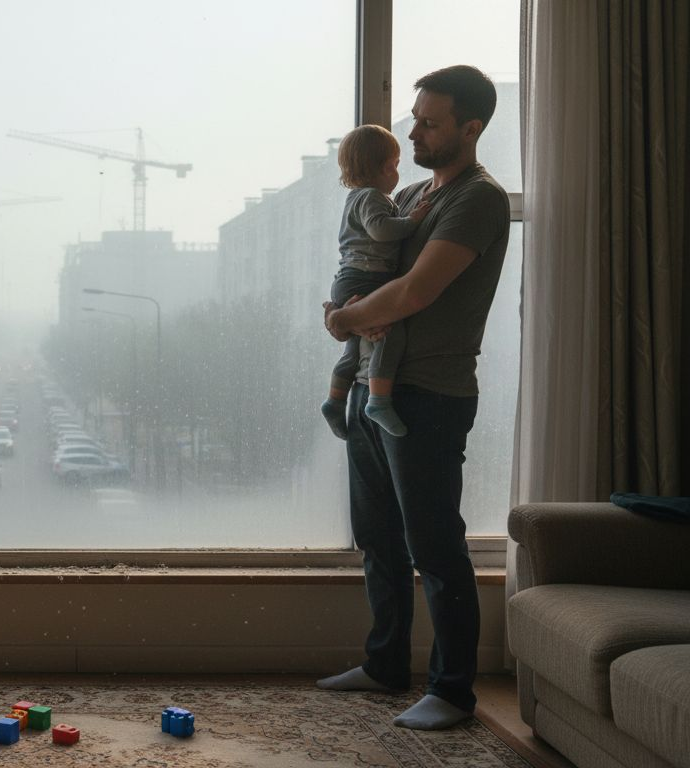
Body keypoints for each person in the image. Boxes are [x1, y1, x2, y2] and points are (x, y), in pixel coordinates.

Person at [318, 64, 511, 731]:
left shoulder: (475, 200)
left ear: (471, 127)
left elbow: (416, 291)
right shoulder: (411, 198)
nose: (415, 131)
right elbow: (367, 262)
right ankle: (385, 665)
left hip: (428, 394)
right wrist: (343, 308)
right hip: (377, 385)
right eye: (415, 117)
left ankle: (453, 691)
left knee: (434, 543)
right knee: (378, 538)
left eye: (429, 122)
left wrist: (344, 318)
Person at [321, 124, 432, 440]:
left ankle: (334, 400)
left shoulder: (356, 197)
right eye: (395, 165)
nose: (397, 172)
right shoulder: (371, 197)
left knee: (355, 349)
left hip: (348, 280)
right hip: (364, 278)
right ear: (385, 167)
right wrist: (412, 221)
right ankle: (378, 401)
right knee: (389, 333)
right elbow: (380, 231)